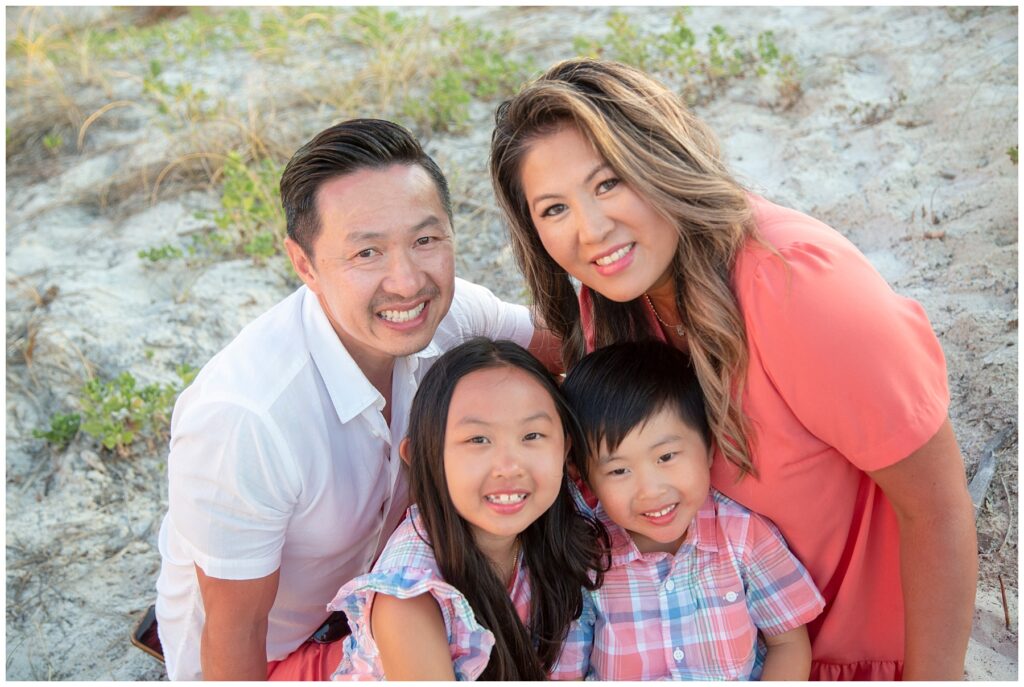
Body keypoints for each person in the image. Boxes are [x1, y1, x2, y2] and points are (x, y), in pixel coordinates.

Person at [489, 58, 977, 680]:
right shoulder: (615, 295)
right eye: (554, 209)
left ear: (660, 160)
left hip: (847, 657)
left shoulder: (797, 284)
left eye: (609, 182)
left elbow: (936, 506)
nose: (591, 229)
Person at [155, 119, 558, 681]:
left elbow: (570, 349)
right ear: (305, 265)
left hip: (393, 591)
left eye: (425, 240)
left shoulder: (452, 311)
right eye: (366, 252)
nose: (406, 281)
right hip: (282, 651)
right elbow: (234, 636)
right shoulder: (246, 418)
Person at [328, 337, 608, 680]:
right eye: (478, 440)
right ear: (422, 458)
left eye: (532, 435)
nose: (510, 467)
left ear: (565, 447)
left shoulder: (564, 514)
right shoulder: (410, 600)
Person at [556, 340, 823, 680]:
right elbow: (565, 670)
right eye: (619, 471)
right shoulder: (586, 554)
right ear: (586, 478)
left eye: (666, 457)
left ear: (709, 448)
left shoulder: (744, 535)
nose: (651, 490)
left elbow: (787, 643)